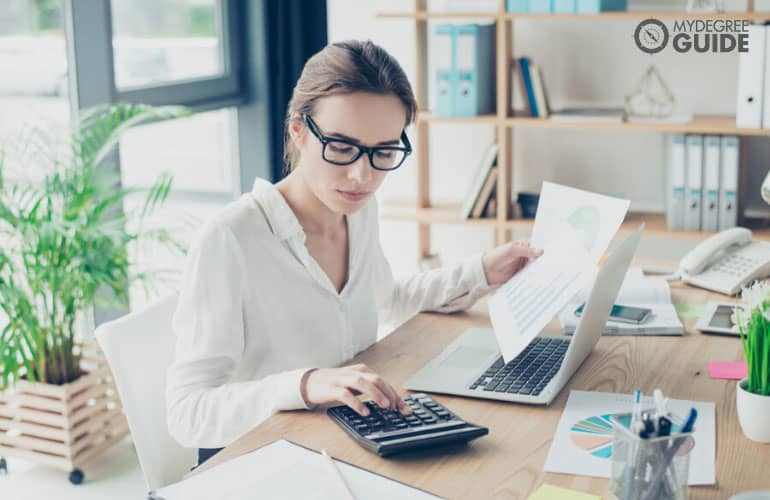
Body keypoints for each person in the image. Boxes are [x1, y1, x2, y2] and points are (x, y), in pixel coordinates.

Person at [166, 40, 543, 465]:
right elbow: (187, 413)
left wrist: (481, 273)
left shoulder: (358, 211)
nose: (362, 176)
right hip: (261, 458)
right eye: (342, 148)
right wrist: (305, 384)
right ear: (298, 130)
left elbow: (388, 301)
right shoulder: (231, 238)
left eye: (383, 152)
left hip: (342, 442)